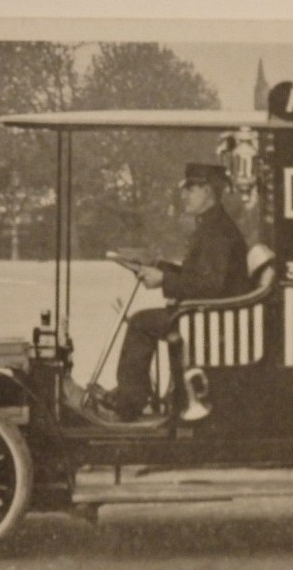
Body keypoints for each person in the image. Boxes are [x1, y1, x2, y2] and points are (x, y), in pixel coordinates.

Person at [99, 163, 250, 421]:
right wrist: (158, 266)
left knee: (140, 322)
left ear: (208, 191)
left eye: (191, 188)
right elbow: (199, 276)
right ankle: (134, 397)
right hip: (207, 315)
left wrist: (163, 279)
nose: (184, 194)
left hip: (211, 319)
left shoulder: (218, 231)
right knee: (144, 320)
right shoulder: (211, 226)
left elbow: (211, 285)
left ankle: (130, 402)